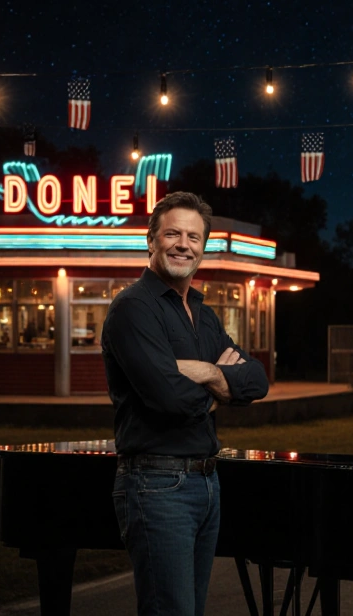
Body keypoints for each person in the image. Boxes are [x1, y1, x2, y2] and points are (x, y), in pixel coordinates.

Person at [103, 191, 269, 616]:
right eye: (173, 233)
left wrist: (210, 373)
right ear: (151, 240)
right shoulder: (132, 309)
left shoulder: (205, 315)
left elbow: (256, 380)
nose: (183, 244)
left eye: (194, 237)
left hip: (207, 482)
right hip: (156, 486)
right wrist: (220, 389)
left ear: (204, 246)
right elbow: (169, 400)